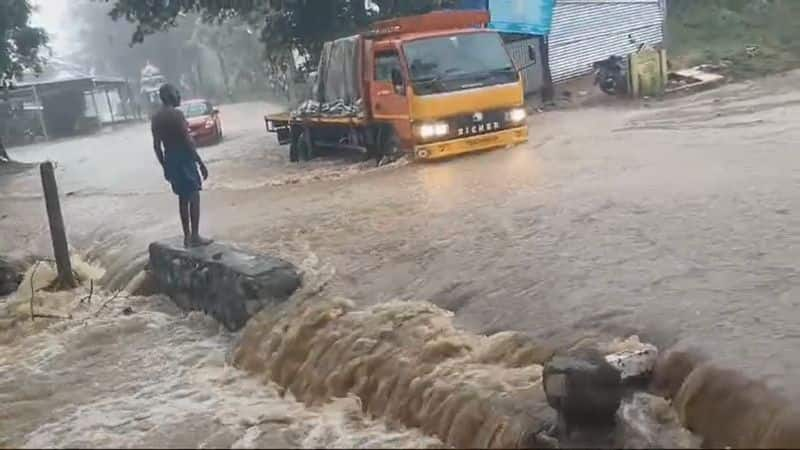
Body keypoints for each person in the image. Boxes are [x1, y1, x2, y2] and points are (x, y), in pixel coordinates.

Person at [151, 83, 213, 248]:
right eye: (177, 93)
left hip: (170, 158)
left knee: (182, 198)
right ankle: (195, 236)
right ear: (170, 96)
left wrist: (165, 166)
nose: (179, 96)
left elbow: (157, 146)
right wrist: (200, 163)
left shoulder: (156, 118)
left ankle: (186, 236)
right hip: (184, 158)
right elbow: (188, 141)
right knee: (194, 195)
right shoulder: (177, 115)